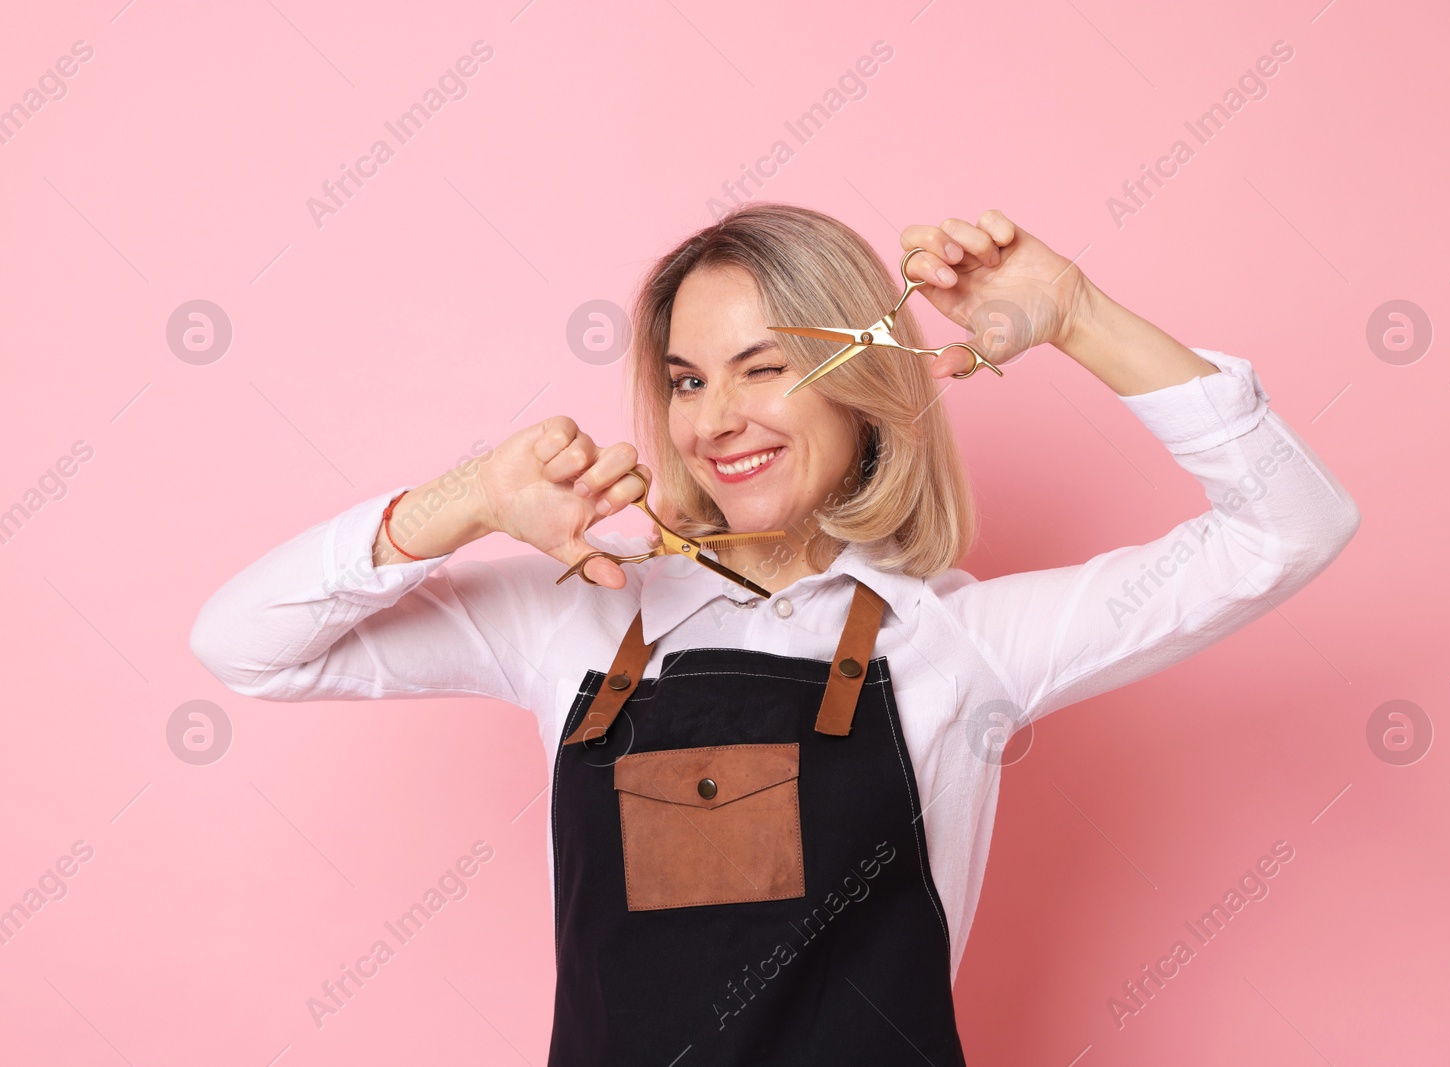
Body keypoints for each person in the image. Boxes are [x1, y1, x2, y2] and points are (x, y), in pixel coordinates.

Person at [190, 204, 1360, 1065]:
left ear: (863, 382)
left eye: (767, 369)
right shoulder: (580, 612)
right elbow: (246, 643)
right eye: (688, 380)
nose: (718, 419)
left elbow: (1291, 525)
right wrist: (466, 501)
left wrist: (1077, 315)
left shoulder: (959, 640)